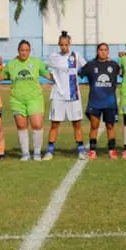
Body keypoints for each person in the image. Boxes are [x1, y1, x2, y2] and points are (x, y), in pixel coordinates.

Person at [0, 40, 52, 162]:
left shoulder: (36, 62)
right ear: (18, 51)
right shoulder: (11, 64)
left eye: (26, 50)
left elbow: (49, 76)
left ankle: (37, 153)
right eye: (22, 50)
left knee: (37, 125)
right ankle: (25, 153)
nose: (24, 52)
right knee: (21, 126)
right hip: (17, 100)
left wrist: (63, 77)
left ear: (30, 51)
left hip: (34, 99)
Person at [45, 31, 87, 160]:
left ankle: (80, 150)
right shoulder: (53, 57)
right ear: (59, 45)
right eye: (61, 45)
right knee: (55, 124)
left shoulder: (76, 56)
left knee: (77, 124)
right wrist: (55, 81)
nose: (64, 47)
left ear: (69, 44)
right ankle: (49, 151)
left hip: (73, 95)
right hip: (58, 95)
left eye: (66, 44)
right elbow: (47, 72)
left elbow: (86, 68)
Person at [78, 43, 122, 159]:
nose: (103, 52)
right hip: (95, 101)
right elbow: (78, 73)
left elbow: (122, 73)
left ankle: (112, 150)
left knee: (110, 126)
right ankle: (92, 151)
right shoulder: (91, 65)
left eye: (105, 50)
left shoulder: (114, 65)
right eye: (101, 50)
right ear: (97, 51)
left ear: (108, 52)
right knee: (94, 126)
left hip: (110, 102)